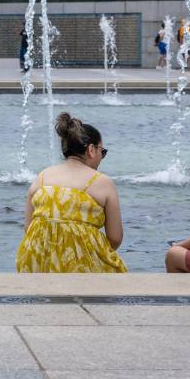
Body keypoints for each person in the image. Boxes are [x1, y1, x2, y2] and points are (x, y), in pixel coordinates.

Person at [16, 112, 126, 273]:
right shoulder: (102, 182)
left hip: (37, 263)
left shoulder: (42, 177)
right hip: (81, 267)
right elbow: (115, 238)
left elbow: (29, 228)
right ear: (91, 150)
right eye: (102, 152)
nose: (102, 157)